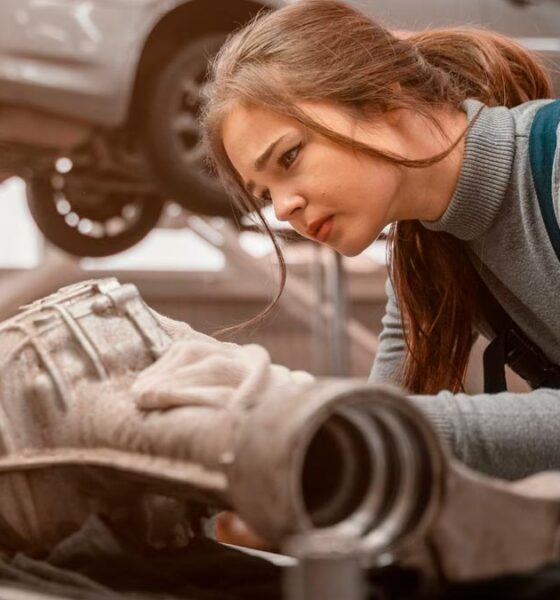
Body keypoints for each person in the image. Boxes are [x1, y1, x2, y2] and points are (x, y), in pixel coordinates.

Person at [200, 0, 560, 485]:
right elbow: (384, 422)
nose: (282, 208)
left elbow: (382, 424)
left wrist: (325, 420)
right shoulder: (424, 254)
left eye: (288, 157)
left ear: (384, 97)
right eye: (265, 194)